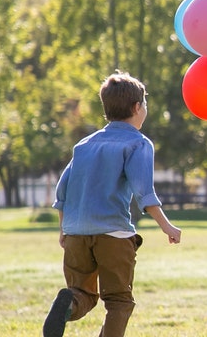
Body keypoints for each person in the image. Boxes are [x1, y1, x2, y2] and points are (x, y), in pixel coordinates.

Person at [43, 72, 183, 337]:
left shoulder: (84, 145)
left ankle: (67, 304)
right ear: (136, 108)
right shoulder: (137, 143)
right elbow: (144, 192)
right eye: (145, 104)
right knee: (119, 301)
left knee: (82, 293)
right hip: (113, 234)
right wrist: (167, 226)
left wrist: (64, 229)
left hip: (76, 233)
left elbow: (62, 191)